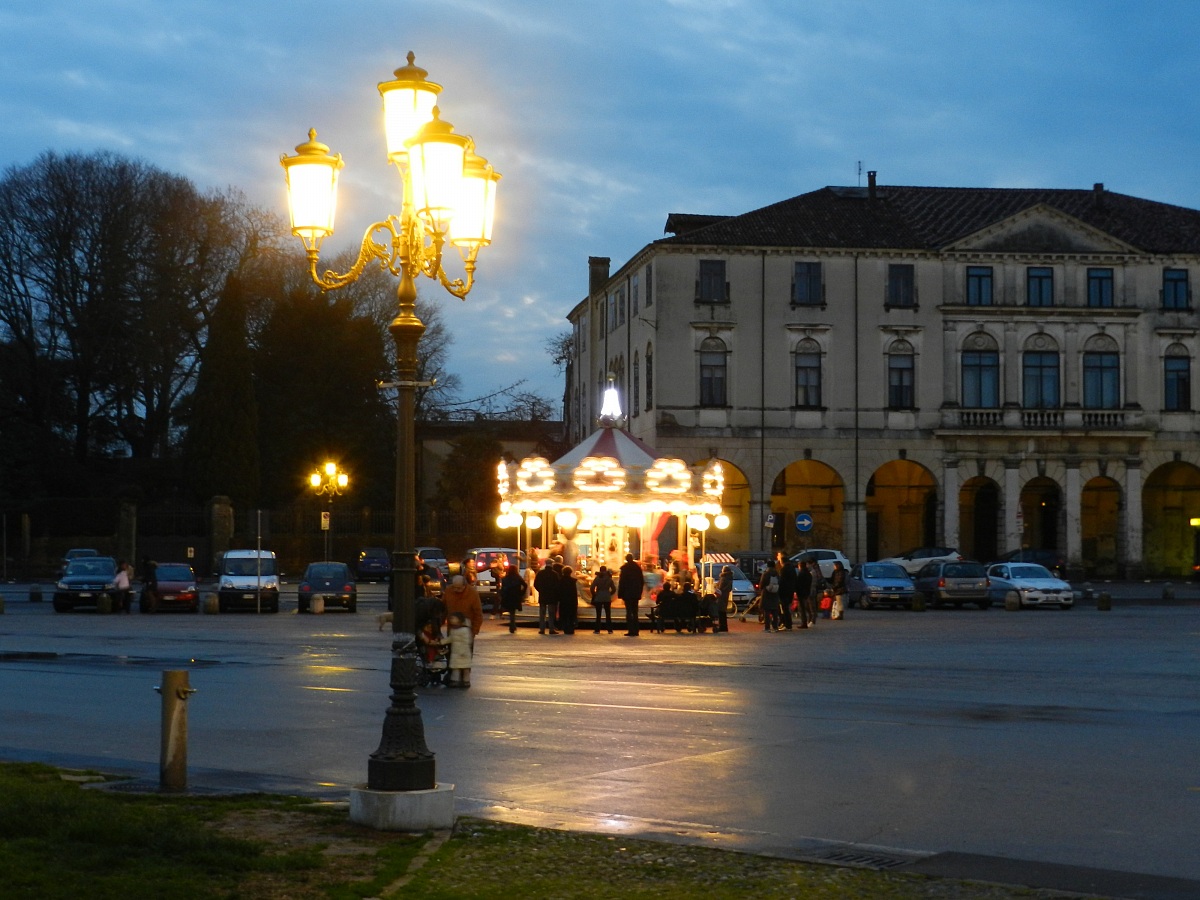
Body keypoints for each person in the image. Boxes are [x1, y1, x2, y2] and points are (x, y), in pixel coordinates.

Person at [442, 574, 483, 638]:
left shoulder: (473, 593)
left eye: (458, 588)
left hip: (467, 629)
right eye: (454, 587)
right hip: (452, 628)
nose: (455, 589)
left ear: (464, 586)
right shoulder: (448, 591)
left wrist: (474, 631)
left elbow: (478, 613)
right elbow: (443, 608)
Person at [443, 612, 474, 688]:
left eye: (453, 618)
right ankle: (455, 681)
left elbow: (467, 641)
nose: (451, 620)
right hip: (456, 652)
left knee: (465, 669)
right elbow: (451, 638)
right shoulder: (453, 629)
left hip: (463, 653)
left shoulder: (464, 630)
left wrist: (463, 651)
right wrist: (441, 642)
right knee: (456, 668)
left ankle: (466, 681)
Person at [618, 553, 644, 636]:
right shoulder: (637, 568)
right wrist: (640, 591)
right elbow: (641, 581)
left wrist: (620, 593)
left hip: (627, 593)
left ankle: (630, 629)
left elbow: (622, 582)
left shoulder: (625, 569)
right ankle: (636, 629)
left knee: (629, 611)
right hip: (635, 593)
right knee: (635, 611)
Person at [498, 564, 527, 633]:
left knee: (511, 611)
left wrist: (502, 594)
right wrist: (521, 593)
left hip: (508, 596)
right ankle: (512, 625)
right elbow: (525, 585)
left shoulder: (505, 578)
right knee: (512, 611)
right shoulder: (518, 577)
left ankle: (512, 625)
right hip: (516, 596)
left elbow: (503, 588)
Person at [534, 556, 560, 634]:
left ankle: (542, 629)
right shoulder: (555, 574)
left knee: (542, 613)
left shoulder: (540, 573)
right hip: (552, 596)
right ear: (552, 564)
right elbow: (558, 585)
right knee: (551, 613)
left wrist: (540, 590)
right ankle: (551, 628)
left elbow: (536, 584)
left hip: (543, 595)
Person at [589, 565, 616, 633]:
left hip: (598, 597)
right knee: (608, 614)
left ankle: (597, 629)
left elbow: (592, 588)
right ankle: (609, 629)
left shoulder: (597, 578)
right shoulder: (609, 578)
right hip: (607, 597)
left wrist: (595, 594)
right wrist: (609, 594)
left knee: (598, 614)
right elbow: (614, 589)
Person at [758, 559, 782, 632]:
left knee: (767, 611)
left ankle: (767, 627)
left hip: (767, 594)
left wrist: (761, 588)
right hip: (775, 594)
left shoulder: (766, 573)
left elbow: (761, 584)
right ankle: (775, 627)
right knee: (775, 611)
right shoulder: (777, 574)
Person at [777, 552, 797, 630]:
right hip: (790, 590)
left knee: (784, 608)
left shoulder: (784, 569)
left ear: (782, 561)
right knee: (786, 608)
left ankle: (787, 624)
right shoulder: (792, 568)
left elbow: (782, 581)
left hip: (784, 591)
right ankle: (787, 623)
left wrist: (779, 589)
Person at [557, 564, 580, 634]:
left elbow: (558, 591)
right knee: (571, 614)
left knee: (564, 614)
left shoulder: (560, 581)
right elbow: (575, 593)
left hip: (563, 600)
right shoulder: (573, 581)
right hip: (571, 601)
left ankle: (565, 627)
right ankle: (571, 627)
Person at [796, 558, 814, 629]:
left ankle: (804, 623)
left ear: (800, 566)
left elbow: (798, 583)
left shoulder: (801, 574)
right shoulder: (808, 574)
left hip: (801, 592)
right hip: (807, 592)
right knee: (806, 607)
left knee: (802, 608)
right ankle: (806, 621)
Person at [715, 565, 733, 633]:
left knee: (720, 611)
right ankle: (724, 626)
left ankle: (722, 626)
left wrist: (716, 586)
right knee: (723, 611)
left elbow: (720, 587)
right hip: (726, 595)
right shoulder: (730, 578)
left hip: (721, 596)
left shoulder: (723, 578)